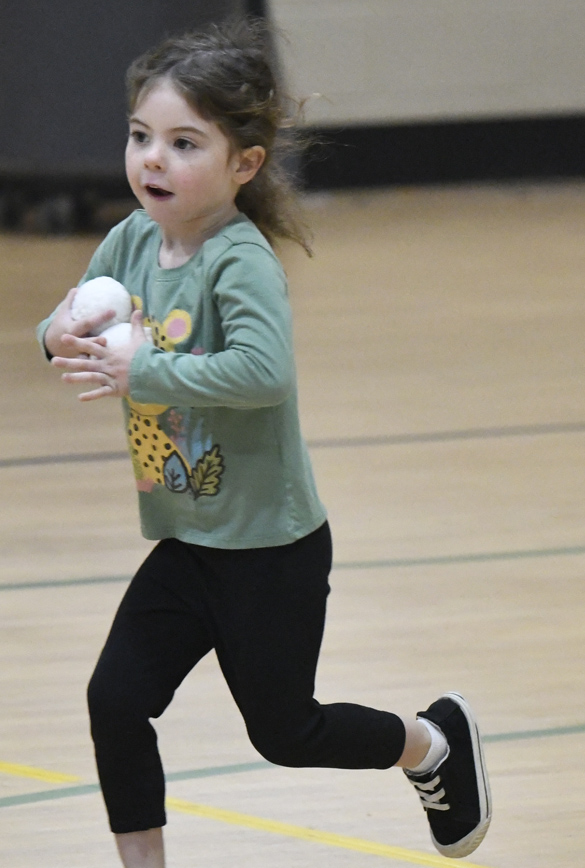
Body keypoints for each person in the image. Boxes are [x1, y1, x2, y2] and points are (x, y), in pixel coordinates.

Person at [37, 19, 491, 868]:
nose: (152, 160)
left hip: (268, 548)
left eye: (183, 143)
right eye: (140, 136)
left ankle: (430, 743)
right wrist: (56, 333)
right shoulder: (129, 242)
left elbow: (263, 372)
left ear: (243, 164)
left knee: (286, 732)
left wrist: (147, 368)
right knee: (115, 700)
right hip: (187, 540)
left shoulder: (237, 260)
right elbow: (67, 317)